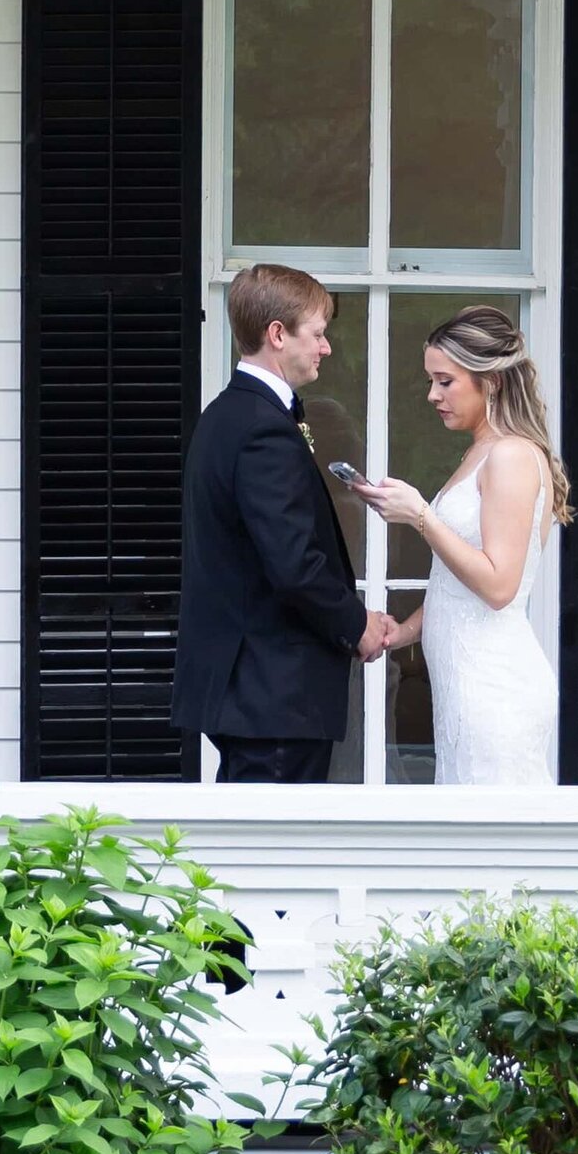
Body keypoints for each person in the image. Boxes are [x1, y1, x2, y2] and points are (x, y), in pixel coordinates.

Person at [171, 263, 396, 783]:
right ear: (278, 334)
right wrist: (356, 624)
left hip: (254, 692)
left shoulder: (226, 416)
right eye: (317, 333)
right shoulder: (261, 431)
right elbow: (294, 564)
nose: (326, 347)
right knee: (265, 858)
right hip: (272, 693)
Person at [355, 305, 568, 786]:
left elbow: (498, 586)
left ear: (489, 381)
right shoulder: (481, 451)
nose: (433, 395)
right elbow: (457, 583)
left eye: (444, 381)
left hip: (495, 687)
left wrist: (420, 516)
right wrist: (401, 632)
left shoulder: (511, 455)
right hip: (465, 686)